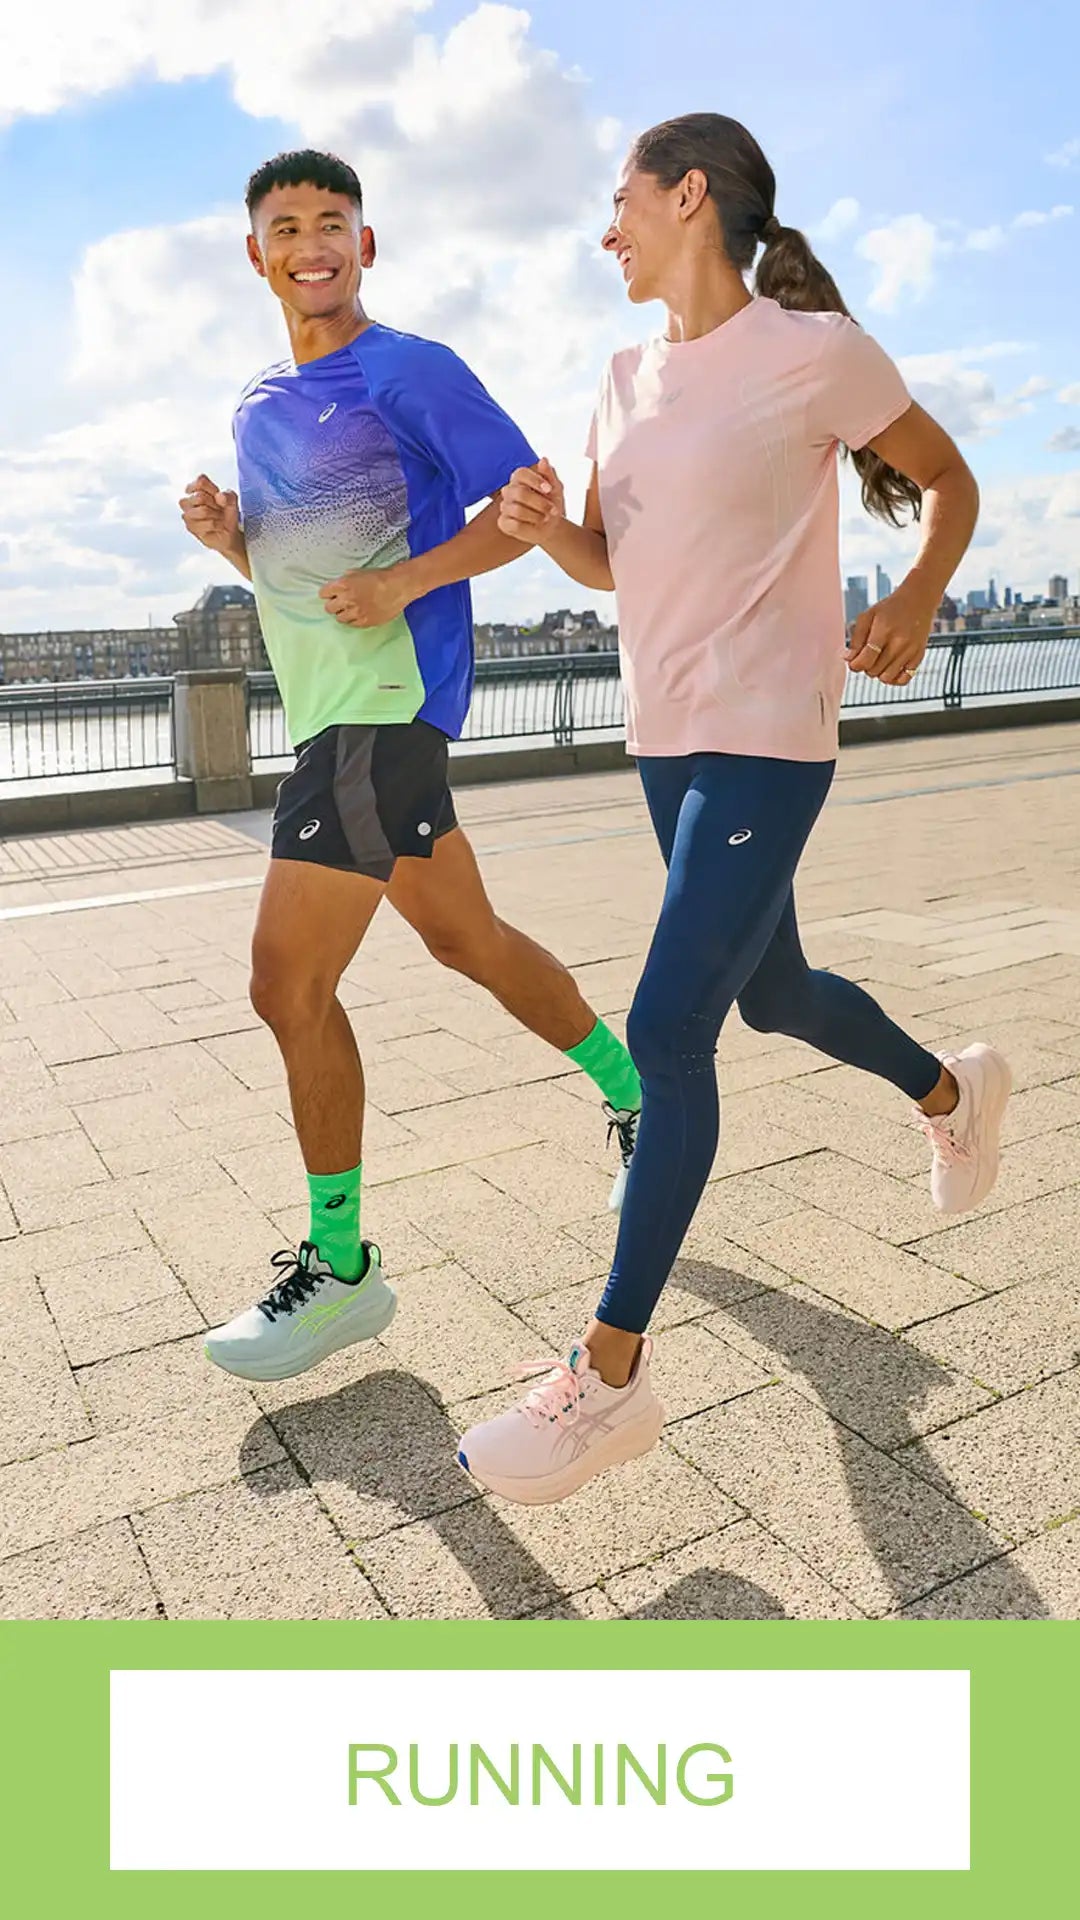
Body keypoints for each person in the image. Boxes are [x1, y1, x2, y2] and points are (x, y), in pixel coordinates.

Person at [456, 112, 1012, 1505]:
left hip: (771, 732)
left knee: (667, 1031)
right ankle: (955, 1093)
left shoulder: (814, 352)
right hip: (666, 737)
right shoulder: (619, 376)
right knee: (775, 995)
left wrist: (918, 594)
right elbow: (611, 563)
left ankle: (609, 1379)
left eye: (622, 201)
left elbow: (949, 479)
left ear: (689, 195)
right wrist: (543, 528)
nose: (607, 230)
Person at [179, 149, 641, 1384]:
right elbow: (302, 581)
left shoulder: (411, 370)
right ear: (258, 255)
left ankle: (341, 1270)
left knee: (287, 985)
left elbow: (525, 506)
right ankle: (640, 1095)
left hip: (384, 712)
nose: (312, 243)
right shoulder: (256, 402)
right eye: (288, 226)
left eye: (333, 221)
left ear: (365, 244)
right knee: (466, 941)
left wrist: (407, 583)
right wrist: (234, 545)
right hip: (332, 712)